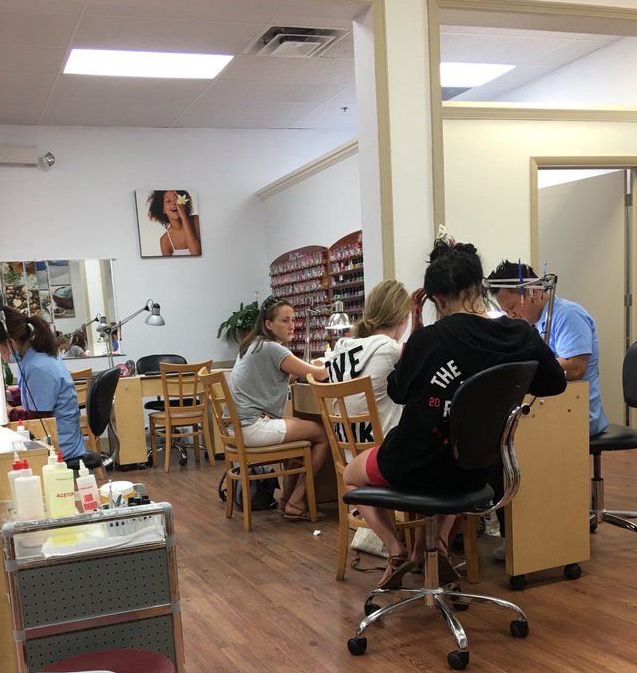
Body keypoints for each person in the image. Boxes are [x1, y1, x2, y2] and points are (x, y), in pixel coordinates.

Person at [342, 240, 566, 587]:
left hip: (414, 465)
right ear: (480, 286)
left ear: (439, 300)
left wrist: (418, 328)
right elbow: (554, 384)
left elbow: (399, 391)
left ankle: (396, 550)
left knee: (351, 475)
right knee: (452, 465)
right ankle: (436, 548)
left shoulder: (428, 339)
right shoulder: (520, 334)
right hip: (477, 470)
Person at [229, 296, 330, 521]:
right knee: (323, 434)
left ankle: (287, 501)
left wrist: (308, 368)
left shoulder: (253, 344)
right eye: (285, 321)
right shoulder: (273, 349)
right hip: (253, 428)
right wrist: (321, 364)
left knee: (300, 436)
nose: (292, 325)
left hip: (238, 428)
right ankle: (296, 501)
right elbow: (321, 374)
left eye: (293, 320)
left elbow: (278, 378)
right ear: (268, 324)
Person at [487, 261, 608, 437]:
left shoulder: (568, 315)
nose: (511, 316)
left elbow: (575, 368)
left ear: (533, 292)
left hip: (578, 413)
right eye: (505, 311)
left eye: (512, 307)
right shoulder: (532, 325)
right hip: (551, 408)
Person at [0, 305, 87, 465]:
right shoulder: (34, 357)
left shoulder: (37, 367)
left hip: (60, 446)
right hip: (61, 435)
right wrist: (10, 395)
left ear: (11, 342)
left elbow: (38, 419)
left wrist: (9, 411)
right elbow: (31, 392)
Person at [324, 279, 420, 439]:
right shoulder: (389, 350)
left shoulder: (342, 347)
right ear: (402, 319)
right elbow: (419, 349)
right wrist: (418, 319)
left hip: (347, 447)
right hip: (381, 449)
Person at [146, 190, 202, 257]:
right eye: (168, 201)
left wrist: (183, 216)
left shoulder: (196, 220)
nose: (174, 203)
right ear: (163, 209)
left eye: (176, 199)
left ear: (183, 203)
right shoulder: (165, 241)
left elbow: (196, 253)